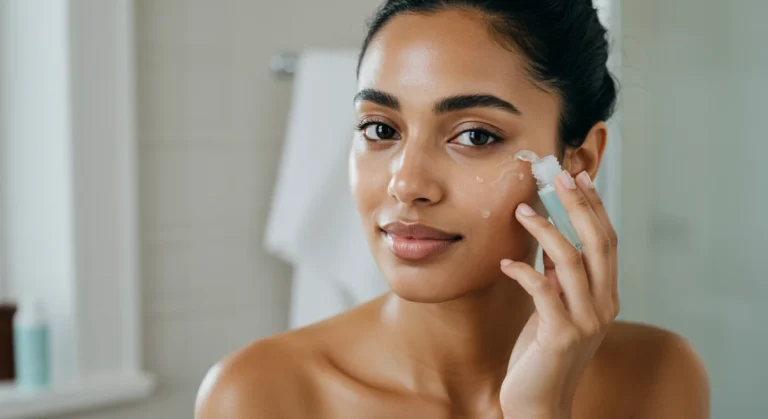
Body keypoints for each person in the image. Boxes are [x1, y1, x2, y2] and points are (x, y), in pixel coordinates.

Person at [196, 1, 709, 417]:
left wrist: (539, 411)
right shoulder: (256, 396)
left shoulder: (658, 377)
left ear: (578, 161)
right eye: (380, 129)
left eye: (475, 135)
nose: (406, 184)